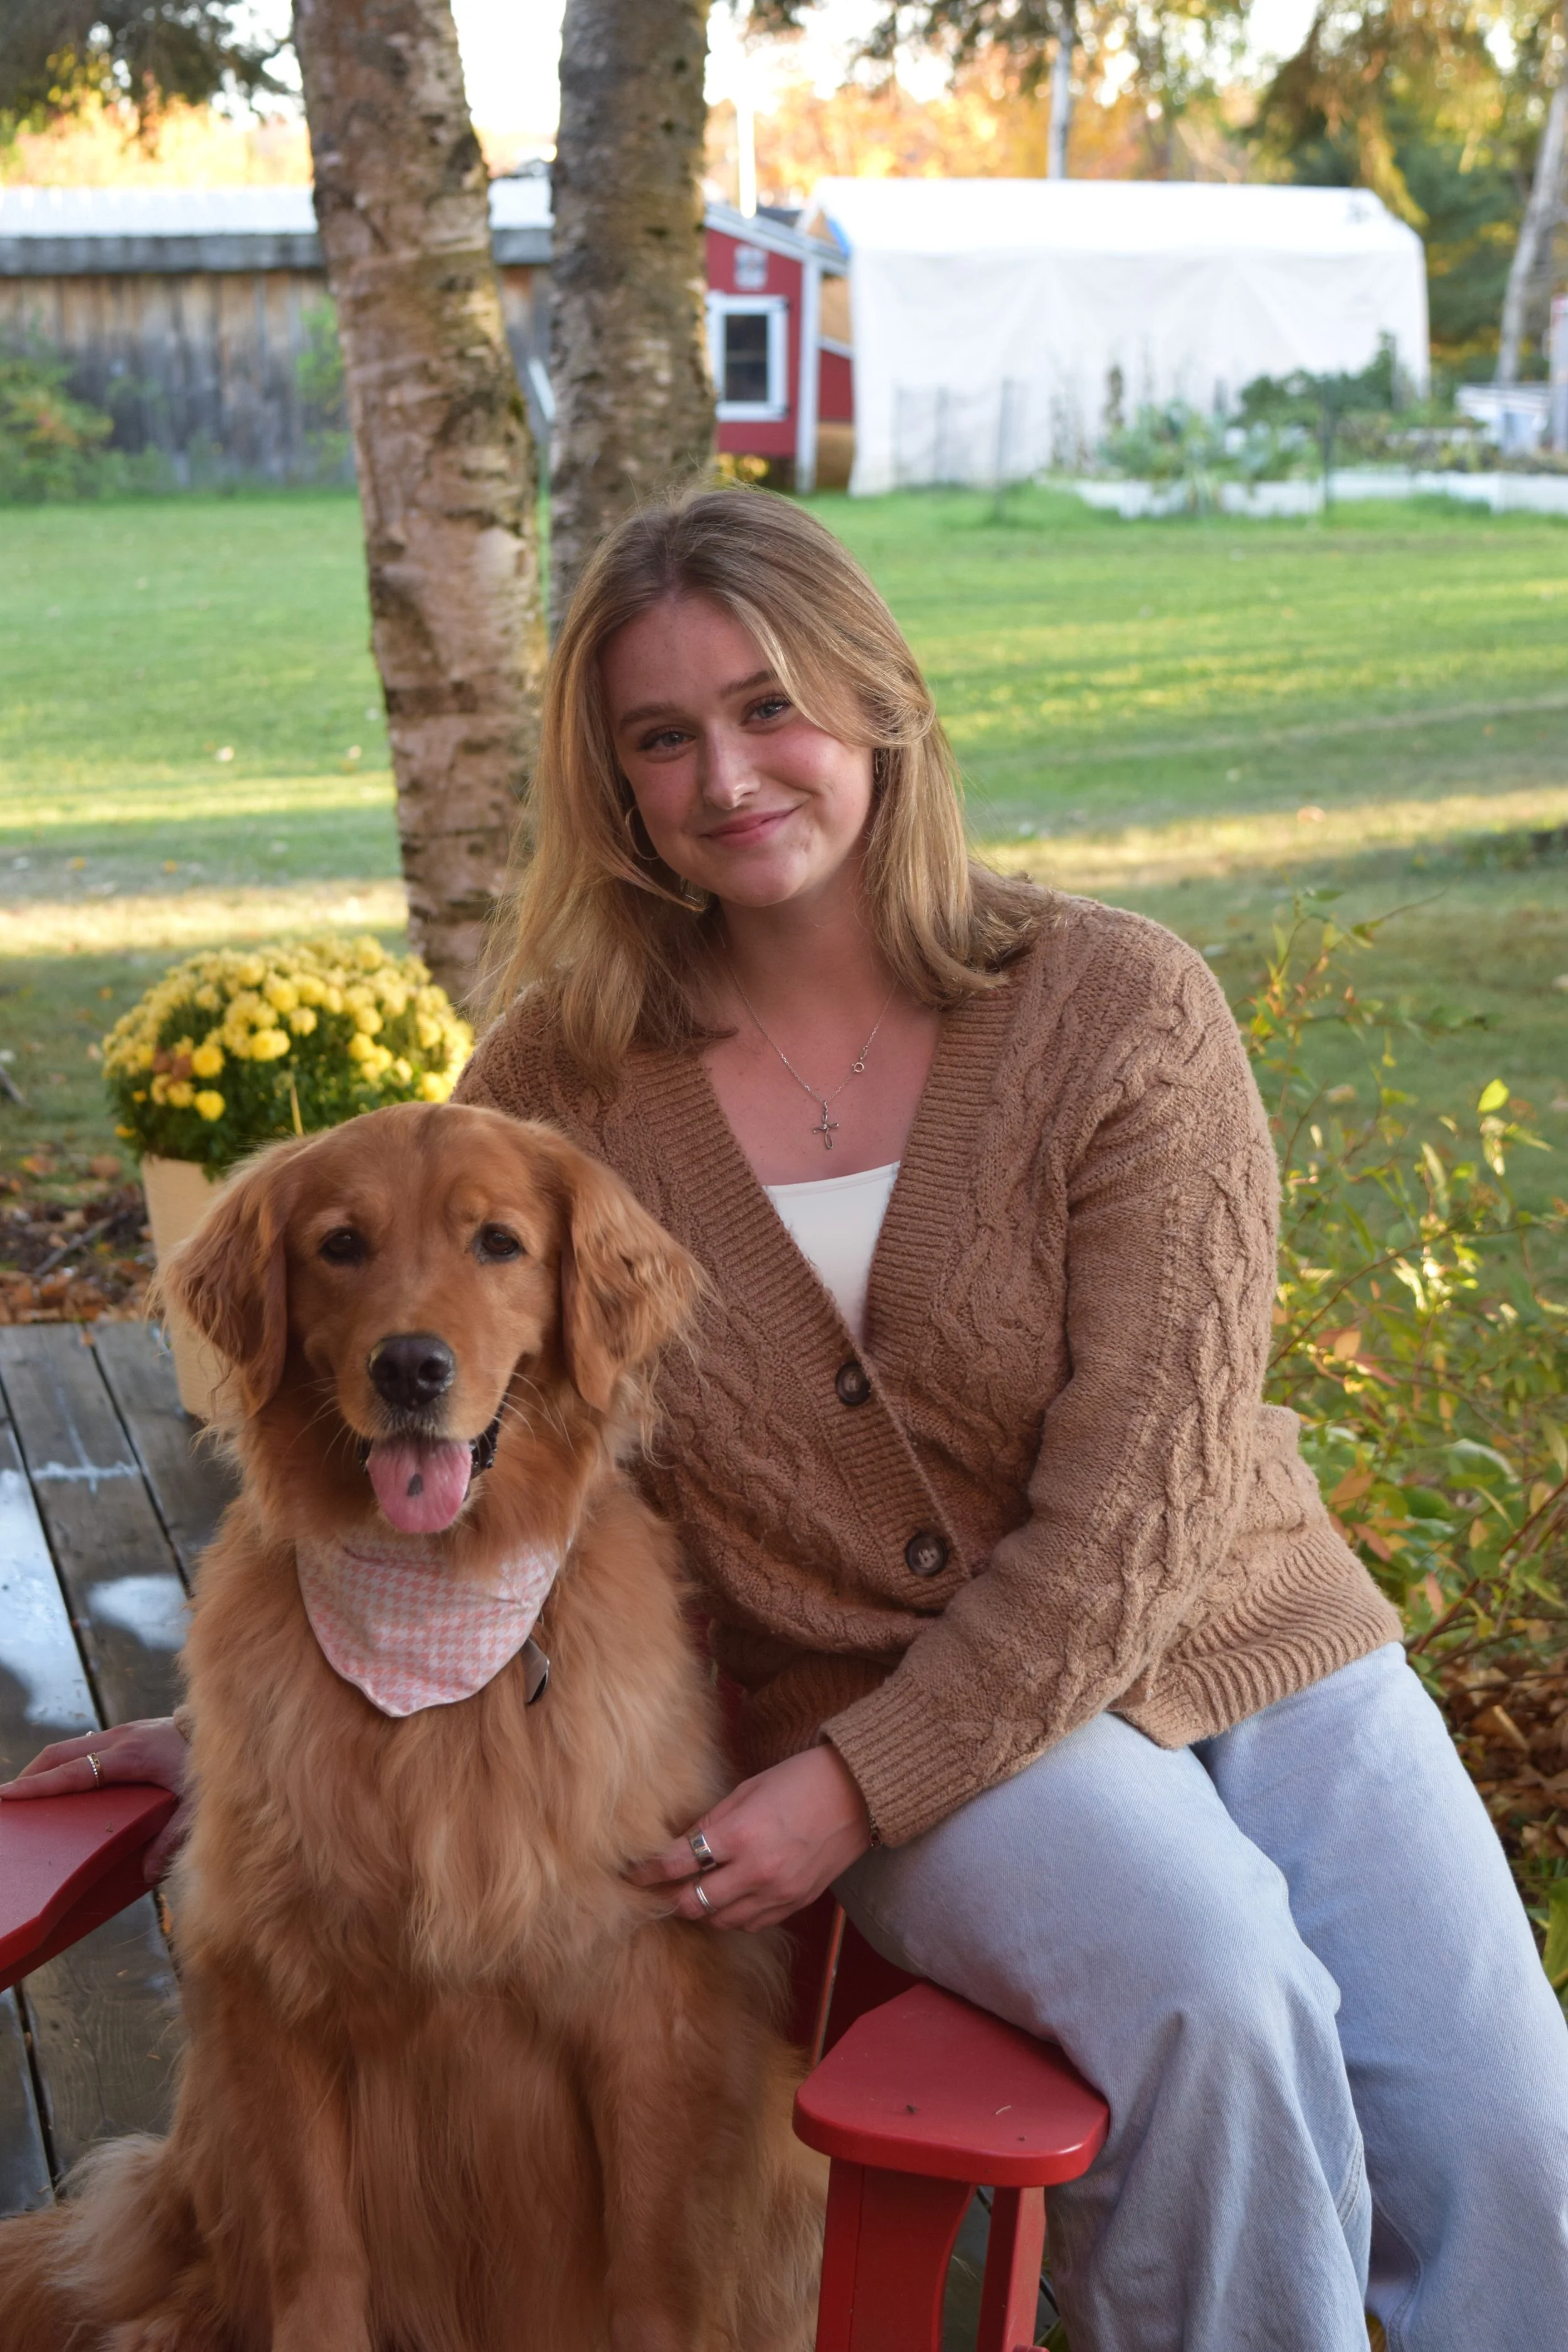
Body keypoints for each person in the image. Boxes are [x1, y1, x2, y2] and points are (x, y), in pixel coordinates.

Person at [9, 487, 1565, 2351]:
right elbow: (472, 1432)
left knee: (1508, 2124)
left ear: (880, 707)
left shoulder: (1117, 1004)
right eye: (661, 736)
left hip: (1256, 1643)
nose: (727, 775)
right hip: (903, 1717)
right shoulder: (564, 1081)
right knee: (1217, 2004)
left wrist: (849, 1794)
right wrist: (272, 1733)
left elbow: (1141, 1500)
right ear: (614, 785)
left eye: (770, 707)